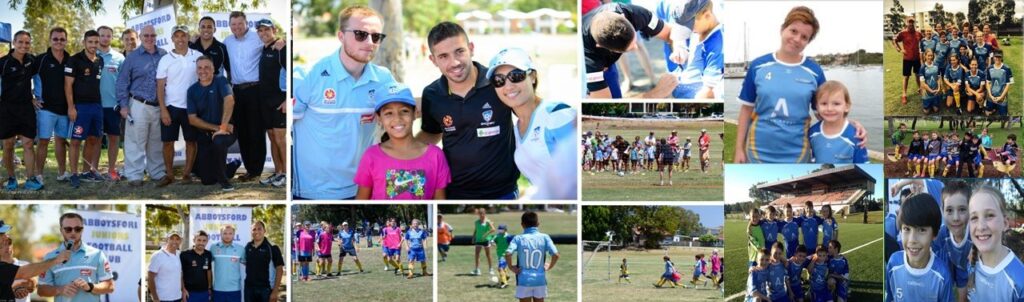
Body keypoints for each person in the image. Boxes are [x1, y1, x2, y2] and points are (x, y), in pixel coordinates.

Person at [735, 6, 865, 163]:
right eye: (793, 31)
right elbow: (746, 110)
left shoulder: (814, 71)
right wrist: (739, 149)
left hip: (797, 153)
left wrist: (850, 126)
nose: (797, 39)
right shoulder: (758, 66)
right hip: (757, 151)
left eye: (804, 37)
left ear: (808, 42)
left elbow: (823, 111)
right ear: (782, 29)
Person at [292, 5, 395, 199]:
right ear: (340, 36)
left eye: (376, 37)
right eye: (360, 34)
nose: (370, 42)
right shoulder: (308, 75)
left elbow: (404, 119)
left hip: (362, 190)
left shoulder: (384, 79)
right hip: (312, 192)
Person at [415, 22, 520, 199]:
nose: (454, 62)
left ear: (471, 48)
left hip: (503, 192)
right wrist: (397, 150)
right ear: (433, 60)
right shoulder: (432, 94)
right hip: (454, 192)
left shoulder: (498, 82)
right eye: (443, 56)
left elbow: (529, 110)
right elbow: (431, 133)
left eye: (459, 51)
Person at [486, 47, 577, 199]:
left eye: (516, 76)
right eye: (499, 80)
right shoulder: (515, 128)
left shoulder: (557, 115)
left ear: (533, 76)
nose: (508, 86)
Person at [353, 83, 450, 200]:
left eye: (404, 111)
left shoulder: (435, 155)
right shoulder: (371, 156)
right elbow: (361, 200)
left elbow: (440, 200)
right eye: (388, 113)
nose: (397, 118)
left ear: (415, 113)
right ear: (379, 119)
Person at [583, 2, 678, 98]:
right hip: (596, 58)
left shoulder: (636, 14)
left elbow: (670, 33)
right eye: (629, 49)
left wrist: (678, 54)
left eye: (634, 41)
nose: (636, 48)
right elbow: (605, 105)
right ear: (600, 46)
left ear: (624, 17)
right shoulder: (589, 61)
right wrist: (656, 93)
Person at [116, 25, 168, 186]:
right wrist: (123, 106)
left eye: (152, 35)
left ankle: (157, 172)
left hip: (159, 105)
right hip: (138, 104)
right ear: (140, 36)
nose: (149, 38)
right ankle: (134, 175)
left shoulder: (164, 55)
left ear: (156, 36)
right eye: (146, 35)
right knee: (135, 141)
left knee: (156, 141)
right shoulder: (132, 57)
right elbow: (122, 82)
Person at [224, 11, 270, 183]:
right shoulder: (227, 41)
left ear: (246, 23)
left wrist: (281, 42)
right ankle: (249, 169)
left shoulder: (257, 37)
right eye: (233, 24)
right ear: (230, 26)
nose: (236, 27)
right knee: (242, 131)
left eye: (239, 24)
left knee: (256, 131)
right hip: (237, 91)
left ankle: (256, 170)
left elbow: (272, 41)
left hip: (255, 89)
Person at [884, 193, 953, 302]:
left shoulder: (942, 275)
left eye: (921, 230)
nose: (912, 240)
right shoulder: (893, 263)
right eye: (907, 229)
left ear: (934, 234)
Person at [156, 25, 202, 187]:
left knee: (191, 141)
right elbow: (160, 86)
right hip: (171, 107)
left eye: (183, 36)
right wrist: (163, 109)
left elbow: (204, 79)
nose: (180, 39)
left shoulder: (198, 56)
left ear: (188, 37)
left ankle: (187, 174)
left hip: (192, 108)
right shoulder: (165, 59)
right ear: (172, 39)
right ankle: (169, 175)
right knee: (168, 142)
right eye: (177, 36)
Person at [187, 56, 239, 191]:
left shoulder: (221, 81)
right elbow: (192, 119)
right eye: (200, 68)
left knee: (219, 140)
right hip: (207, 133)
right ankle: (232, 167)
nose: (203, 71)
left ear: (213, 69)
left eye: (207, 67)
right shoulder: (192, 90)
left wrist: (223, 127)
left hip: (226, 131)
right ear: (196, 70)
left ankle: (224, 181)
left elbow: (229, 101)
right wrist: (218, 128)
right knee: (207, 180)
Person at [38, 212, 115, 301]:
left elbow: (110, 286)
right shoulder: (50, 258)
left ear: (82, 230)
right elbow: (41, 290)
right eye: (68, 229)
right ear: (61, 230)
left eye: (77, 229)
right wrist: (60, 289)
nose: (73, 232)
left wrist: (90, 287)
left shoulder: (97, 254)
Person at [966, 186, 1024, 300]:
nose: (981, 226)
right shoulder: (972, 263)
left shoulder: (1020, 280)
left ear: (1005, 223)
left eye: (989, 215)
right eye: (974, 217)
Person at [64, 30, 105, 189]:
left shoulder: (100, 60)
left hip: (96, 106)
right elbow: (68, 85)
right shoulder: (74, 60)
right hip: (80, 107)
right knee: (75, 141)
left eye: (96, 42)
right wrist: (71, 107)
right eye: (91, 42)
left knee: (93, 139)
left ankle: (86, 172)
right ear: (84, 42)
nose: (94, 45)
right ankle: (74, 174)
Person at [31, 27, 71, 188]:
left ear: (66, 41)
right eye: (55, 39)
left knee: (61, 141)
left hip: (64, 109)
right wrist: (31, 98)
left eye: (62, 39)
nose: (59, 42)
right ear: (50, 40)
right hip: (45, 108)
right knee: (44, 142)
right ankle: (38, 175)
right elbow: (22, 77)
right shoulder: (40, 60)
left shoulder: (71, 60)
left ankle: (62, 173)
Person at [1, 31, 40, 191]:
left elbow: (38, 79)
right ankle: (12, 179)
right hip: (6, 108)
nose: (24, 45)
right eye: (20, 42)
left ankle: (31, 179)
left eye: (27, 43)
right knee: (8, 145)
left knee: (29, 144)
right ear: (14, 42)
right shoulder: (3, 62)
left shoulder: (32, 60)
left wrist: (36, 97)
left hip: (26, 107)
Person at [0, 221, 72, 301]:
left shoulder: (23, 265)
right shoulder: (4, 267)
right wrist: (56, 259)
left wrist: (27, 285)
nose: (7, 245)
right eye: (2, 241)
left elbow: (33, 284)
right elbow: (23, 273)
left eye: (8, 241)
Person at [255, 19, 287, 188]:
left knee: (280, 138)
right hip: (265, 102)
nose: (264, 33)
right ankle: (278, 172)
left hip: (279, 102)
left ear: (274, 30)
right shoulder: (264, 49)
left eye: (267, 30)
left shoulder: (282, 48)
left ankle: (287, 175)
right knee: (273, 138)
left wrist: (287, 100)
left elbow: (292, 74)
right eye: (260, 30)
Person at [505, 211, 560, 302]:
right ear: (538, 224)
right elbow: (556, 255)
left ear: (522, 225)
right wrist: (550, 266)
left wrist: (511, 267)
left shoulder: (518, 238)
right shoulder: (545, 237)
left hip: (523, 280)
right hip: (540, 280)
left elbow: (508, 254)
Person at [95, 26, 126, 181]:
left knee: (114, 139)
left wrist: (122, 103)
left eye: (108, 35)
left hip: (113, 106)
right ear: (97, 37)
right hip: (94, 105)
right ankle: (93, 171)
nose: (105, 38)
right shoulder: (91, 55)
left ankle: (112, 170)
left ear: (112, 38)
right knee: (95, 139)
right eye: (102, 35)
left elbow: (123, 82)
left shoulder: (119, 57)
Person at [242, 221, 284, 302]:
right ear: (251, 232)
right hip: (249, 289)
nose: (256, 231)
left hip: (266, 289)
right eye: (254, 229)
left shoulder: (272, 247)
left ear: (264, 231)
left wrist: (275, 291)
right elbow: (245, 263)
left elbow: (279, 269)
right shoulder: (248, 246)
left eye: (259, 229)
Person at [210, 225, 244, 301]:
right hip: (218, 289)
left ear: (233, 235)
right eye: (225, 233)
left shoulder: (241, 249)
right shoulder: (213, 247)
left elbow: (247, 265)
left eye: (230, 233)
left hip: (235, 289)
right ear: (220, 234)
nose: (227, 236)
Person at [894, 17, 922, 104]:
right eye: (909, 22)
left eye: (912, 22)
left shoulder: (918, 33)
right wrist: (900, 50)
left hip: (917, 58)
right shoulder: (903, 33)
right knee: (906, 77)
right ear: (906, 23)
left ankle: (920, 89)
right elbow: (894, 40)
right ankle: (904, 94)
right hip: (907, 59)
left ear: (914, 23)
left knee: (918, 75)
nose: (910, 24)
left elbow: (924, 41)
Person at [147, 232, 183, 302]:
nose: (175, 241)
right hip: (162, 298)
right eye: (172, 239)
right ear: (167, 240)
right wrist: (155, 297)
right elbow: (150, 277)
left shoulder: (179, 254)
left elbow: (180, 275)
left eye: (177, 239)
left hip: (177, 297)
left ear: (180, 241)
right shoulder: (157, 255)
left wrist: (182, 290)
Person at [180, 231, 213, 302]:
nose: (201, 243)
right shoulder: (185, 254)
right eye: (199, 240)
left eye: (204, 240)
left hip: (204, 292)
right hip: (189, 292)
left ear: (207, 242)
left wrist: (209, 287)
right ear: (194, 240)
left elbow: (208, 271)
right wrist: (183, 289)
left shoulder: (208, 254)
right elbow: (180, 273)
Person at [984, 49, 1012, 117]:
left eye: (999, 57)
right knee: (987, 113)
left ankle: (998, 106)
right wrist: (990, 95)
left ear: (1002, 57)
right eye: (996, 57)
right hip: (991, 95)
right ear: (993, 57)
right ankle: (993, 108)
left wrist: (1001, 97)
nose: (997, 58)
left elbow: (1008, 85)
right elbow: (988, 83)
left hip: (1001, 96)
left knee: (1003, 116)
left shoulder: (1007, 69)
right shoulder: (989, 68)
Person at [471, 208, 496, 276]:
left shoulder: (488, 221)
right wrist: (473, 237)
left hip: (486, 240)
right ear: (478, 214)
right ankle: (477, 269)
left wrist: (486, 234)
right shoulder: (476, 222)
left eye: (483, 213)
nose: (482, 215)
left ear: (485, 213)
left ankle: (491, 269)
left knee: (488, 255)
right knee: (477, 254)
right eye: (480, 213)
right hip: (478, 240)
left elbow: (493, 229)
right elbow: (476, 230)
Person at [919, 50, 941, 115]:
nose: (930, 57)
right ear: (925, 56)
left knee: (936, 110)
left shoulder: (936, 65)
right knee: (926, 112)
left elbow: (939, 77)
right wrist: (930, 90)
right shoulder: (922, 67)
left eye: (931, 55)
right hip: (927, 92)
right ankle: (927, 103)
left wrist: (939, 88)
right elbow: (922, 83)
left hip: (935, 90)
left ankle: (934, 103)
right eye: (928, 55)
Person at [493, 224, 513, 288]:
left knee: (500, 268)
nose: (500, 231)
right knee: (503, 268)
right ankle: (506, 276)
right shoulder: (497, 236)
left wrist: (510, 252)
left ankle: (504, 283)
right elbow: (492, 240)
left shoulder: (508, 237)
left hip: (505, 255)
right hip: (499, 255)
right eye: (499, 229)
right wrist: (492, 242)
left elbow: (512, 244)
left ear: (505, 230)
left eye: (501, 229)